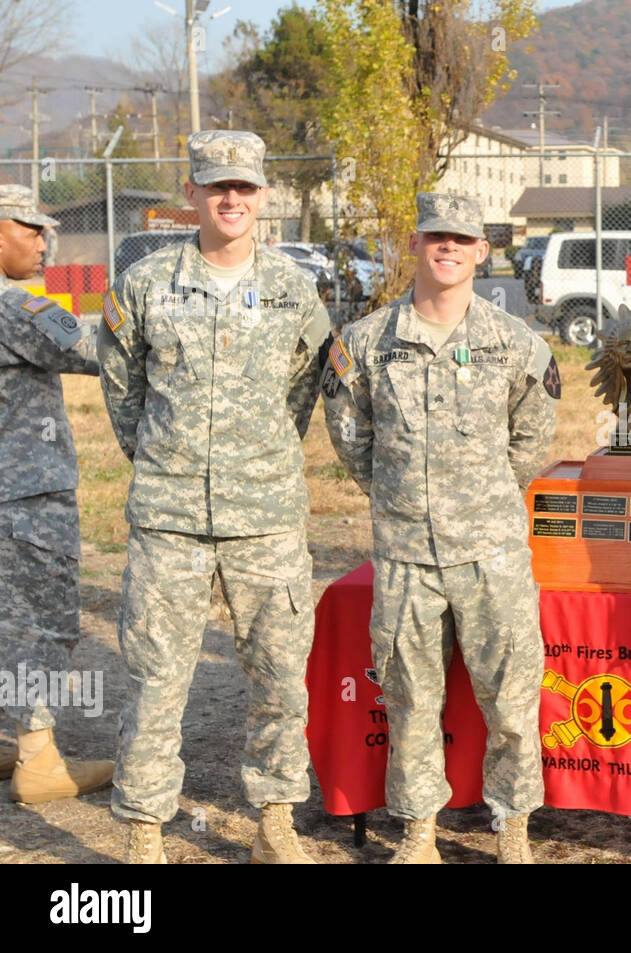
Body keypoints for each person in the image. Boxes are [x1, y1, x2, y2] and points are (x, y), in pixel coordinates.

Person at [99, 131, 331, 863]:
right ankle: (143, 828)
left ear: (265, 196)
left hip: (265, 517)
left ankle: (274, 819)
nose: (232, 199)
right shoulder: (144, 284)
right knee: (156, 675)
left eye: (246, 187)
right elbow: (121, 389)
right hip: (169, 521)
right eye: (217, 186)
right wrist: (165, 461)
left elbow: (304, 387)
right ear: (192, 191)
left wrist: (255, 460)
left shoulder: (296, 289)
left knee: (277, 676)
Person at [322, 193, 559, 864]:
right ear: (416, 243)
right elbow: (351, 438)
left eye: (462, 238)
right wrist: (401, 496)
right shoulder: (365, 342)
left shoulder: (517, 344)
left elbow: (531, 440)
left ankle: (512, 826)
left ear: (483, 251)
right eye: (435, 236)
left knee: (511, 701)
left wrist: (477, 499)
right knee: (410, 701)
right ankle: (419, 830)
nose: (447, 247)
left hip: (492, 555)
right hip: (406, 556)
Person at [0, 184, 114, 803]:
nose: (45, 243)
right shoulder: (17, 308)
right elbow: (102, 351)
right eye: (30, 230)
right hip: (25, 498)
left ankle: (12, 740)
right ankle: (38, 759)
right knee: (38, 622)